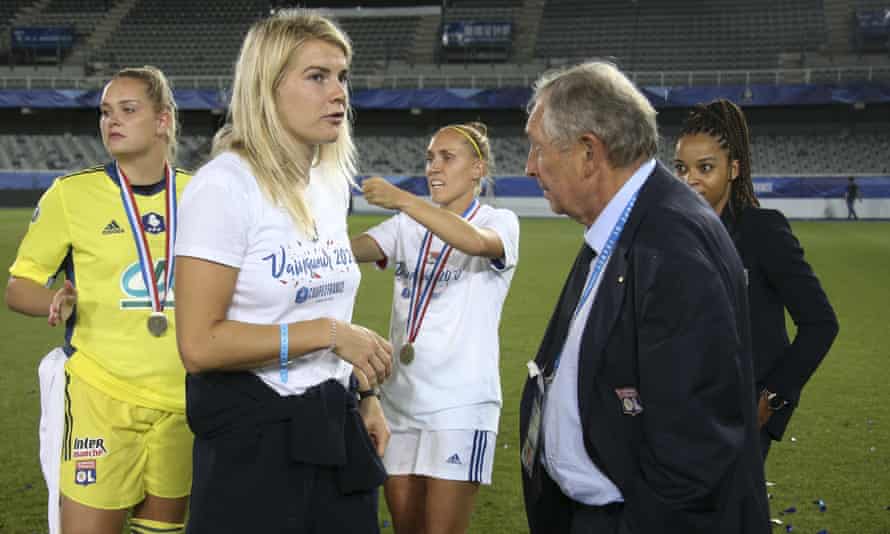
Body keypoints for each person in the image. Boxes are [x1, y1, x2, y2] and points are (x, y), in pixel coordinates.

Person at [518, 61, 770, 534]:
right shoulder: (628, 224)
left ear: (589, 152)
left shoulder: (671, 246)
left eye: (538, 148)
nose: (530, 166)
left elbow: (693, 452)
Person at [173, 10, 392, 533]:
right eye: (317, 77)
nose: (338, 93)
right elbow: (199, 345)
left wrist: (366, 397)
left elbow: (328, 304)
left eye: (342, 77)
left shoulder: (330, 182)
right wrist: (328, 334)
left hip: (335, 426)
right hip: (252, 440)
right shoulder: (224, 187)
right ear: (266, 87)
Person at [6, 66, 193, 534]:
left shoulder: (202, 194)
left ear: (163, 120)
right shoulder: (72, 195)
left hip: (184, 399)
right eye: (106, 112)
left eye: (128, 110)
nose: (112, 121)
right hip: (101, 395)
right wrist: (54, 300)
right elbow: (19, 286)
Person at [351, 122, 520, 534]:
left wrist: (403, 199)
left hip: (460, 406)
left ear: (478, 169)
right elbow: (346, 252)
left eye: (447, 157)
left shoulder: (499, 220)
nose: (434, 167)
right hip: (400, 401)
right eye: (430, 158)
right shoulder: (404, 226)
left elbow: (476, 243)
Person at [674, 98, 839, 459]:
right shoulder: (675, 234)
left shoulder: (762, 231)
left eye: (705, 167)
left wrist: (770, 400)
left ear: (733, 169)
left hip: (738, 419)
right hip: (679, 410)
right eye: (681, 168)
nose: (689, 180)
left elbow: (820, 323)